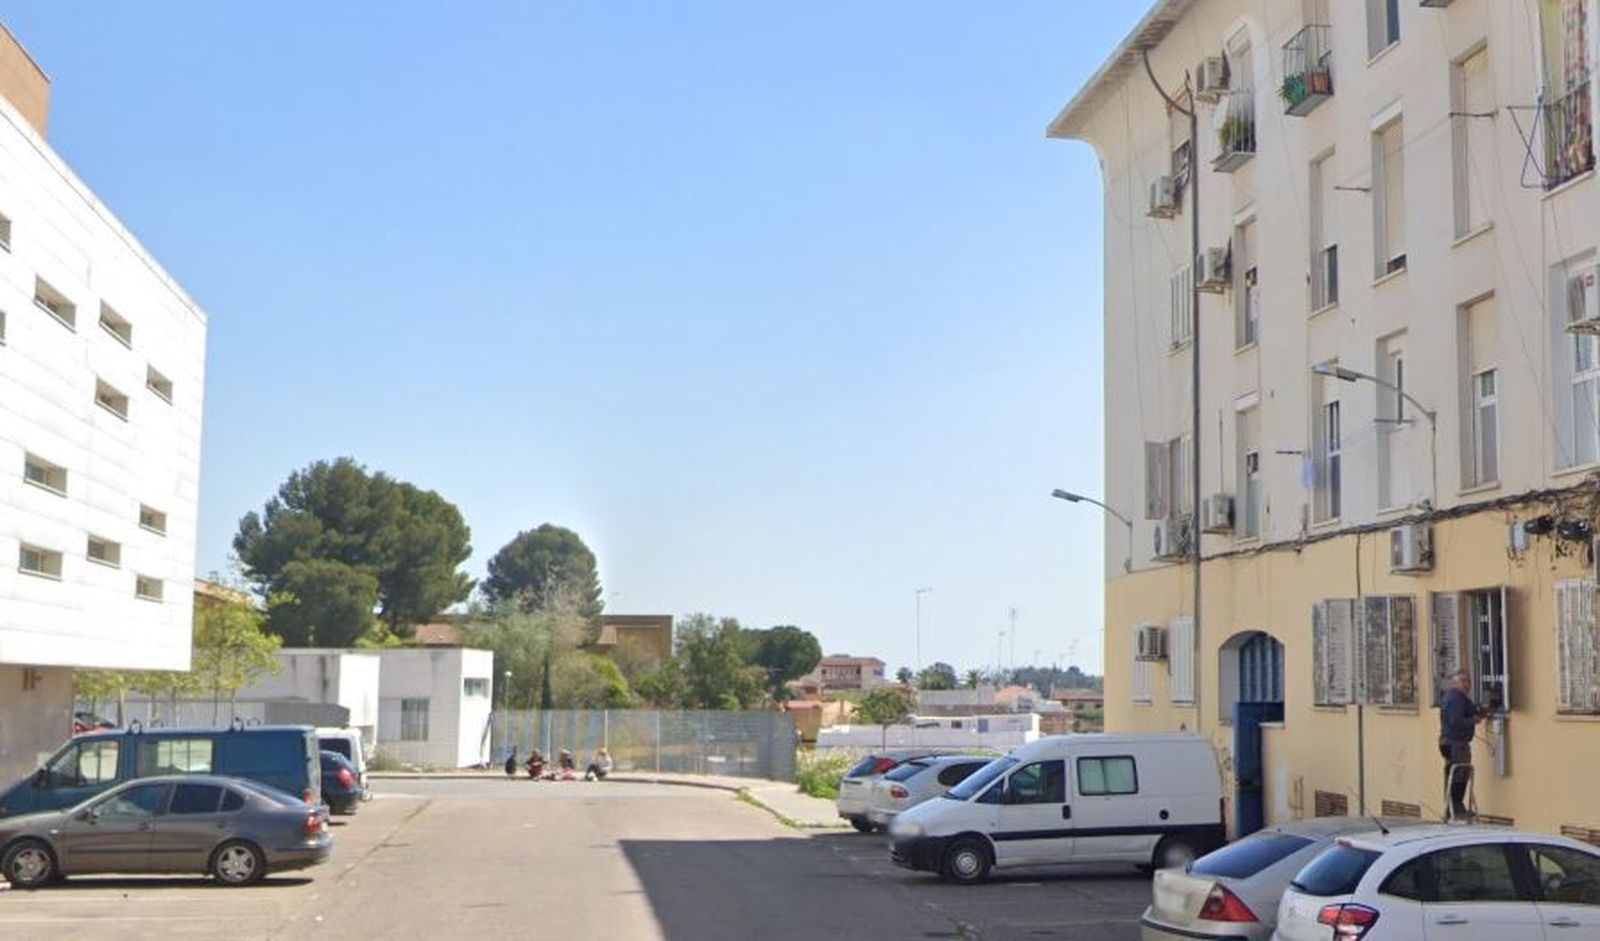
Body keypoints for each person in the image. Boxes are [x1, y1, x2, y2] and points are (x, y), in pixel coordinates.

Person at [1439, 669, 1483, 820]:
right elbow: (1456, 721)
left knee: (1459, 773)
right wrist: (1473, 720)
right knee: (1458, 775)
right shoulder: (1454, 698)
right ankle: (1456, 809)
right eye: (1463, 681)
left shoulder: (1460, 698)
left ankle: (1454, 808)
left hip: (1454, 742)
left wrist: (1481, 711)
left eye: (1468, 681)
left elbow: (1472, 710)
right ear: (1455, 682)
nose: (1467, 685)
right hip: (1454, 743)